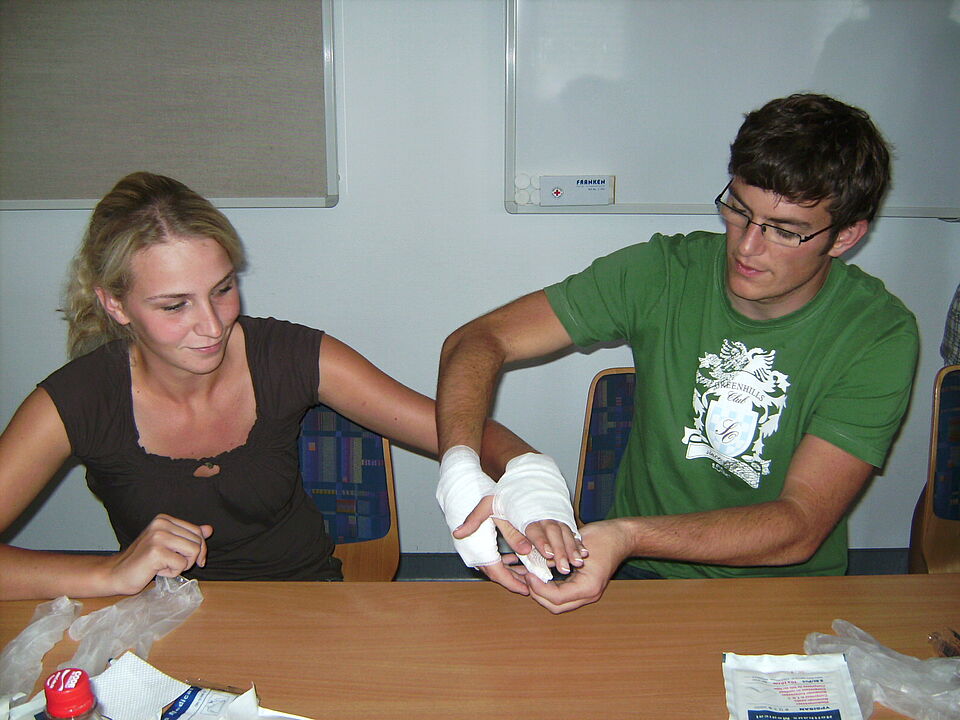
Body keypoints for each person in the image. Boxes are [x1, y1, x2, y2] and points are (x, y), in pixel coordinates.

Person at [436, 93, 919, 613]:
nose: (747, 246)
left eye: (784, 231)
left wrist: (628, 535)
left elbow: (800, 524)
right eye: (739, 210)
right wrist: (460, 467)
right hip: (644, 571)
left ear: (844, 236)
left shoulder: (876, 333)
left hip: (784, 583)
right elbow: (478, 340)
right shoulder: (664, 273)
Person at [0, 171, 549, 601]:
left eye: (222, 290)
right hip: (166, 620)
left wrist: (530, 485)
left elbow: (462, 429)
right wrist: (110, 573)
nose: (212, 327)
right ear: (115, 304)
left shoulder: (289, 355)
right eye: (174, 305)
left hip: (305, 604)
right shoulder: (75, 401)